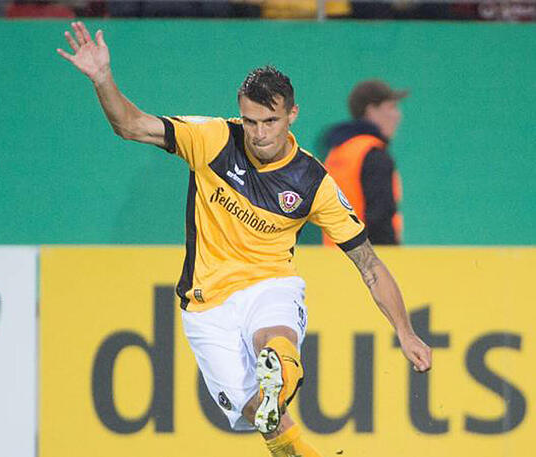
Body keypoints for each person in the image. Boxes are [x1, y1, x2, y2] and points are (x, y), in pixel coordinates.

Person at [57, 22, 432, 457]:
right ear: (240, 113)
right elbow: (131, 126)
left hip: (268, 283)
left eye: (270, 121)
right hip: (205, 305)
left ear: (292, 114)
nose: (259, 133)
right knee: (263, 417)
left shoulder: (312, 181)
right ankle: (277, 393)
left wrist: (405, 331)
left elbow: (369, 264)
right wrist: (103, 79)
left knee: (272, 338)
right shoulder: (213, 139)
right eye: (250, 121)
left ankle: (279, 369)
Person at [322, 80, 406, 245]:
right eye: (391, 107)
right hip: (367, 253)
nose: (398, 115)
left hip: (334, 254)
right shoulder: (373, 154)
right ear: (371, 111)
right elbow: (379, 217)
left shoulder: (337, 152)